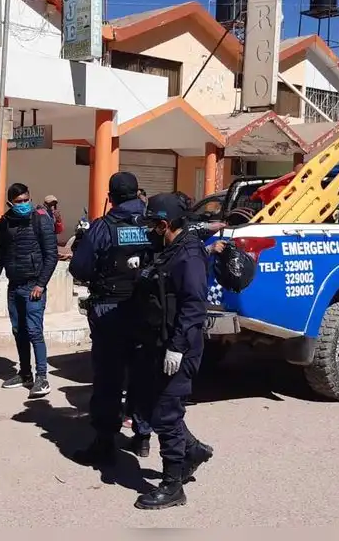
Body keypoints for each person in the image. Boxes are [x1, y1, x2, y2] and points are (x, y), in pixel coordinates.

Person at [131, 192, 215, 510]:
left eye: (153, 224)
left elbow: (194, 306)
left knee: (165, 414)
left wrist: (177, 348)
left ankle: (172, 484)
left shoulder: (188, 256)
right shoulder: (169, 248)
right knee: (154, 405)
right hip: (160, 342)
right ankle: (192, 450)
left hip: (180, 347)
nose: (150, 230)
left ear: (165, 224)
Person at [68, 172, 156, 464]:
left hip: (109, 309)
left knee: (109, 378)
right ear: (137, 195)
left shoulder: (102, 227)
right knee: (143, 375)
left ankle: (105, 442)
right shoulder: (153, 224)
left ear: (111, 198)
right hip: (146, 309)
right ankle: (142, 436)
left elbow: (80, 268)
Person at [0, 183, 58, 396]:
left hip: (33, 286)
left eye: (26, 200)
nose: (23, 205)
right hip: (14, 286)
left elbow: (51, 255)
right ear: (10, 203)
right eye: (18, 202)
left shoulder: (40, 219)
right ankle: (25, 373)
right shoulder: (5, 221)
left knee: (35, 331)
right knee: (19, 331)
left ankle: (42, 377)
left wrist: (40, 284)